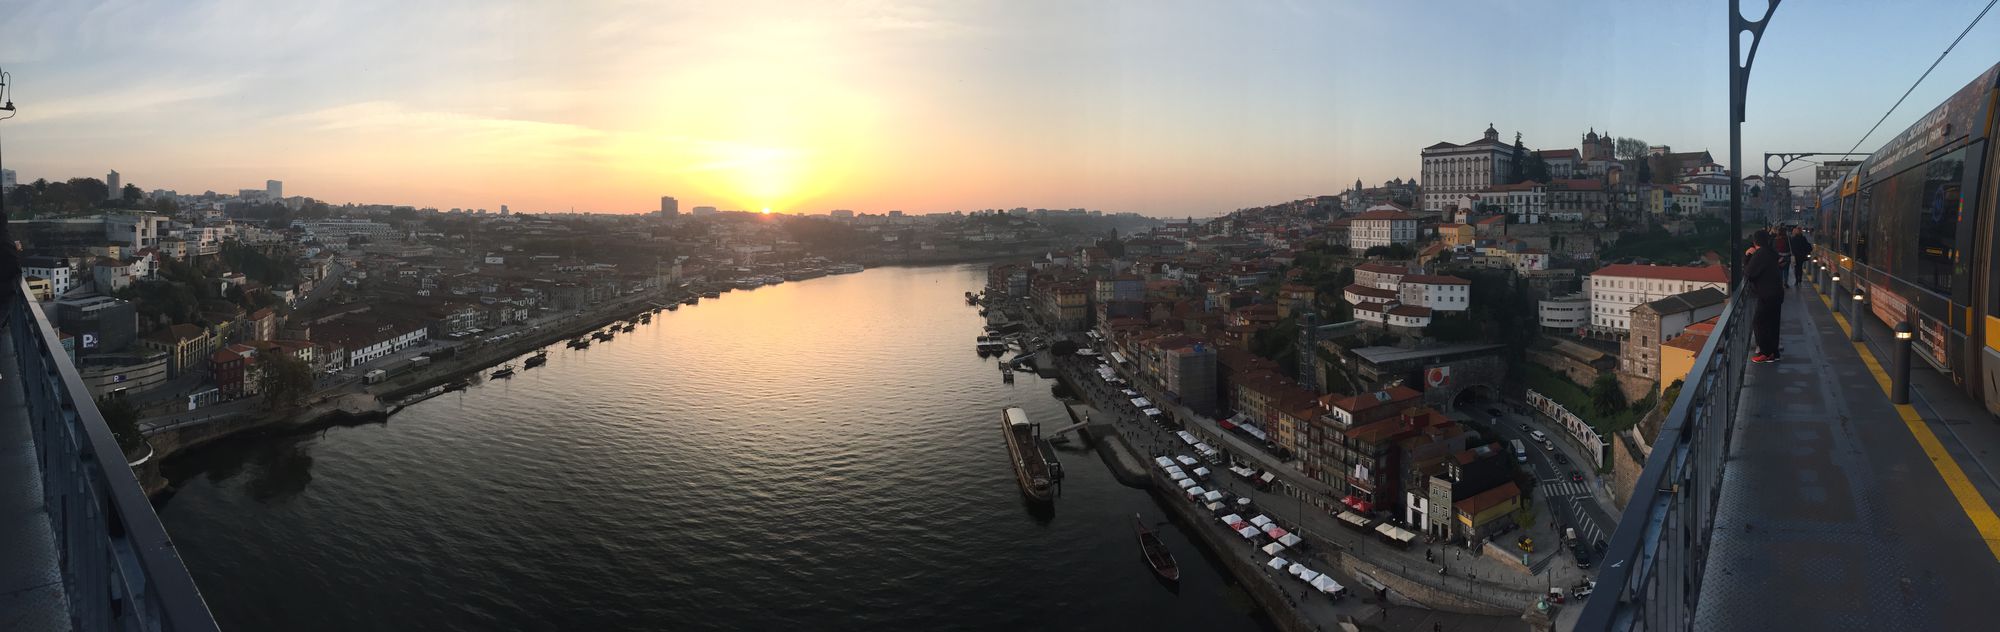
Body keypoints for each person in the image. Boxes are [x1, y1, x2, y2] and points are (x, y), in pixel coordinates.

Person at [1745, 230, 1785, 363]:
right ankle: (1774, 353)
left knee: (1759, 322)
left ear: (1755, 241)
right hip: (1776, 293)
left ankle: (1766, 353)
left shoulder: (1760, 254)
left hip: (1767, 294)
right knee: (1773, 324)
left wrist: (1748, 256)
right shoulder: (1771, 252)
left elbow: (1749, 273)